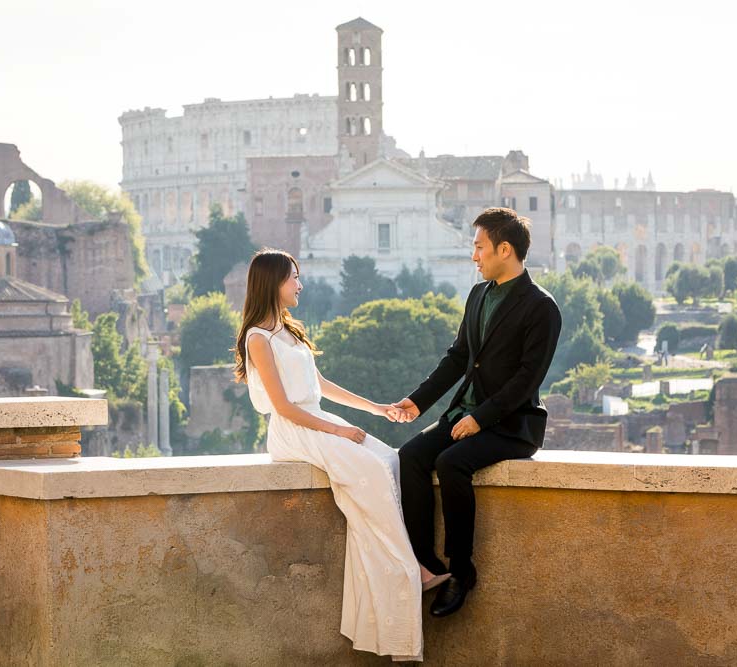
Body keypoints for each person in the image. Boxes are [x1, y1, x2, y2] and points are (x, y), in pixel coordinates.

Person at [234, 249, 444, 662]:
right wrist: (339, 431)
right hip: (294, 431)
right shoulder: (258, 337)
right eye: (294, 277)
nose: (300, 284)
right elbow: (285, 407)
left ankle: (401, 571)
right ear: (272, 282)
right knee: (368, 473)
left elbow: (322, 385)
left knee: (389, 461)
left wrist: (376, 408)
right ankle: (412, 571)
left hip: (316, 420)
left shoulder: (289, 331)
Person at [390, 207, 563, 618]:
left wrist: (480, 418)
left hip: (512, 424)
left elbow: (526, 379)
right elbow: (458, 358)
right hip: (464, 412)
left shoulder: (542, 307)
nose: (474, 256)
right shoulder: (478, 295)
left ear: (505, 249)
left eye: (479, 248)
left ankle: (462, 573)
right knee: (410, 457)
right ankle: (427, 565)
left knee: (451, 464)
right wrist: (417, 401)